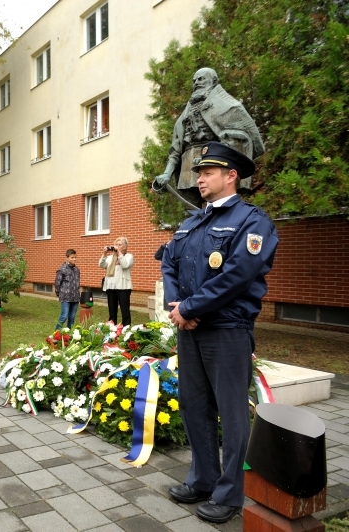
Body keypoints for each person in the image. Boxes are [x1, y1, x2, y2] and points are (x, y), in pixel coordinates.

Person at [162, 142, 278, 524]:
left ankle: (230, 494)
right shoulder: (192, 222)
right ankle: (203, 479)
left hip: (227, 330)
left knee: (231, 414)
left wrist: (191, 309)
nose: (199, 178)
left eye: (207, 172)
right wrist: (177, 307)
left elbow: (238, 275)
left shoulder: (252, 221)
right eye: (198, 172)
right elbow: (170, 264)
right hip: (190, 330)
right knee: (194, 407)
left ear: (231, 176)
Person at [153, 68, 265, 205]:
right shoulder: (185, 114)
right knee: (190, 214)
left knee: (220, 208)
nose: (197, 83)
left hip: (215, 166)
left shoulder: (227, 106)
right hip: (188, 168)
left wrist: (210, 159)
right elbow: (176, 149)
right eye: (194, 81)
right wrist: (167, 173)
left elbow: (238, 137)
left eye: (201, 79)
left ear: (214, 81)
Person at [99, 237, 134, 326]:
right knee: (112, 310)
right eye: (116, 245)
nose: (117, 246)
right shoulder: (111, 257)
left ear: (125, 247)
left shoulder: (129, 256)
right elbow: (101, 265)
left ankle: (126, 327)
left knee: (125, 309)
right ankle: (111, 328)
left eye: (120, 245)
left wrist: (119, 254)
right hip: (110, 286)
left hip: (123, 287)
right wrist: (104, 254)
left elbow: (125, 265)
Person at [54, 249, 80, 330]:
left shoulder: (77, 270)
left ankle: (69, 334)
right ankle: (56, 333)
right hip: (65, 297)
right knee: (64, 316)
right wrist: (60, 294)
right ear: (67, 258)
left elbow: (77, 283)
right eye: (72, 257)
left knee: (72, 318)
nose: (74, 259)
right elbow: (57, 284)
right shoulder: (62, 270)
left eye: (75, 257)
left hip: (75, 297)